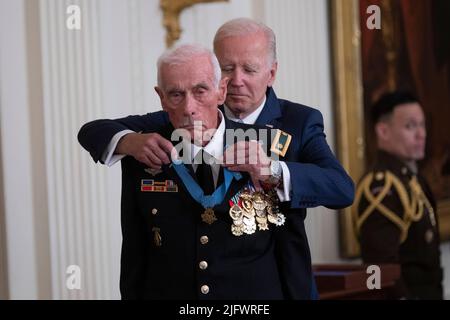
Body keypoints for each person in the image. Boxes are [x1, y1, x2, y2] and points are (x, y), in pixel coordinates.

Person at [78, 18, 355, 299]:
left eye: (249, 69)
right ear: (217, 79)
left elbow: (341, 189)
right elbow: (94, 130)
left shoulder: (295, 124)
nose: (236, 80)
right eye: (227, 69)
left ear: (271, 73)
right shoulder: (179, 114)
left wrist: (272, 169)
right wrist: (130, 141)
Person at [353, 91, 443, 299]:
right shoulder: (382, 187)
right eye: (410, 126)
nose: (422, 134)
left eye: (422, 125)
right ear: (383, 131)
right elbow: (378, 270)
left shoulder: (413, 179)